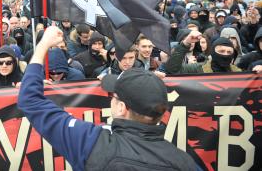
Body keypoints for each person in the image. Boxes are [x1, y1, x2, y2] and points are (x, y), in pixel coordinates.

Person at [18, 26, 198, 170]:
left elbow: (30, 100)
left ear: (121, 108)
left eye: (114, 95)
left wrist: (43, 46)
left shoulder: (92, 142)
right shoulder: (184, 162)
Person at [165, 31, 242, 74]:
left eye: (229, 52)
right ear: (213, 52)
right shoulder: (198, 69)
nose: (225, 54)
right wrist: (186, 43)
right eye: (221, 51)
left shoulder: (238, 73)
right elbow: (173, 70)